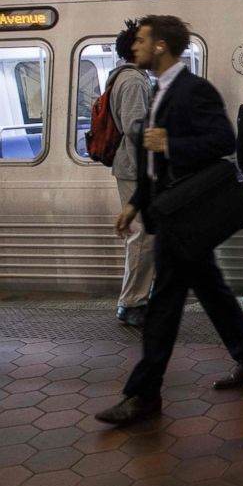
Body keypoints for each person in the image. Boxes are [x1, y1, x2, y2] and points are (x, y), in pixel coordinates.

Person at [96, 15, 243, 425]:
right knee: (210, 288)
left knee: (164, 304)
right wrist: (135, 202)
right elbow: (155, 163)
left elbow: (223, 142)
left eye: (140, 40)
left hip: (186, 213)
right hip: (169, 210)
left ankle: (143, 395)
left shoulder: (194, 89)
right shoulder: (158, 90)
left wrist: (171, 142)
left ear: (160, 46)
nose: (133, 46)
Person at [108, 19, 154, 328]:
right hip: (135, 168)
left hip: (132, 166)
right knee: (143, 235)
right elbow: (136, 129)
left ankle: (138, 297)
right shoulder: (135, 81)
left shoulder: (121, 77)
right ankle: (132, 302)